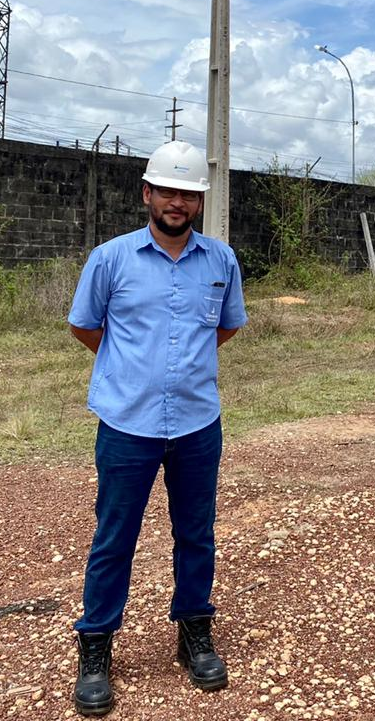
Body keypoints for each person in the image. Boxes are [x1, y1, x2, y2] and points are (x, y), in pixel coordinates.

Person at [67, 140, 247, 716]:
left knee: (197, 534)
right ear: (146, 193)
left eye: (188, 194)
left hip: (197, 423)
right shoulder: (111, 259)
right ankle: (96, 645)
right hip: (128, 425)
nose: (177, 202)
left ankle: (194, 632)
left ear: (199, 202)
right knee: (114, 536)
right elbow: (85, 326)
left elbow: (224, 328)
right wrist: (130, 372)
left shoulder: (221, 261)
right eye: (167, 190)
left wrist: (177, 374)